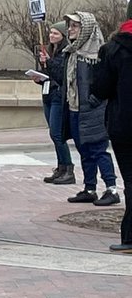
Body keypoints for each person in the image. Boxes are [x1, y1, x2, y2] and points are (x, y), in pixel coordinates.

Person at [61, 12, 120, 207]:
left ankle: (111, 188)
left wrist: (94, 100)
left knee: (98, 150)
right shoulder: (72, 52)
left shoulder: (97, 54)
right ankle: (89, 188)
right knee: (84, 150)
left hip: (94, 111)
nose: (70, 29)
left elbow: (105, 82)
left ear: (86, 29)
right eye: (70, 25)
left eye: (75, 26)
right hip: (74, 109)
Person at [94, 1, 132, 251]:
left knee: (130, 178)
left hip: (125, 124)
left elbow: (101, 89)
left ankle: (130, 237)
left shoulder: (114, 49)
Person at [36, 21, 75, 185]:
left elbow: (61, 75)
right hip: (48, 94)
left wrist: (48, 62)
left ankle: (68, 168)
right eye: (51, 33)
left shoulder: (66, 53)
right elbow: (49, 75)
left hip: (59, 97)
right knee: (53, 133)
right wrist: (39, 77)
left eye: (55, 33)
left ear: (63, 36)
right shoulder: (51, 51)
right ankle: (60, 167)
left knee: (57, 133)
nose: (52, 36)